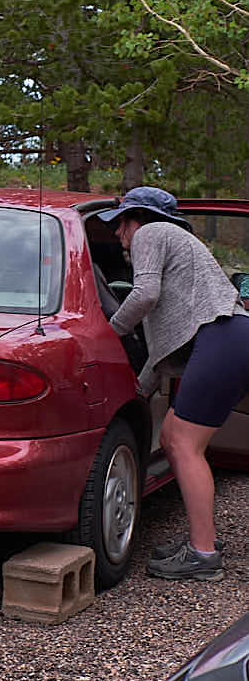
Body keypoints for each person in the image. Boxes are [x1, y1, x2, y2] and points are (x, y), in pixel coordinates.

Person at [99, 186, 249, 582]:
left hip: (223, 338)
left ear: (139, 218)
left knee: (183, 443)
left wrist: (108, 331)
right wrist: (141, 386)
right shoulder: (178, 242)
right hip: (230, 338)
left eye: (121, 224)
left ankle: (202, 555)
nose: (118, 234)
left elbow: (144, 294)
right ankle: (204, 541)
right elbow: (169, 346)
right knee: (172, 436)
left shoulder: (152, 234)